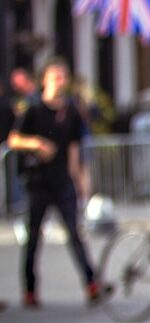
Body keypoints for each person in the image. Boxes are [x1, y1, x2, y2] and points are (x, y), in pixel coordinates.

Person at [7, 58, 107, 308]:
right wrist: (38, 144)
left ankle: (91, 283)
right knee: (33, 238)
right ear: (45, 80)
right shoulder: (33, 109)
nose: (60, 82)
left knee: (75, 234)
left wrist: (80, 180)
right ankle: (30, 290)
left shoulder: (70, 112)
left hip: (62, 180)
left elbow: (74, 149)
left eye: (63, 77)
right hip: (37, 181)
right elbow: (14, 140)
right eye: (55, 77)